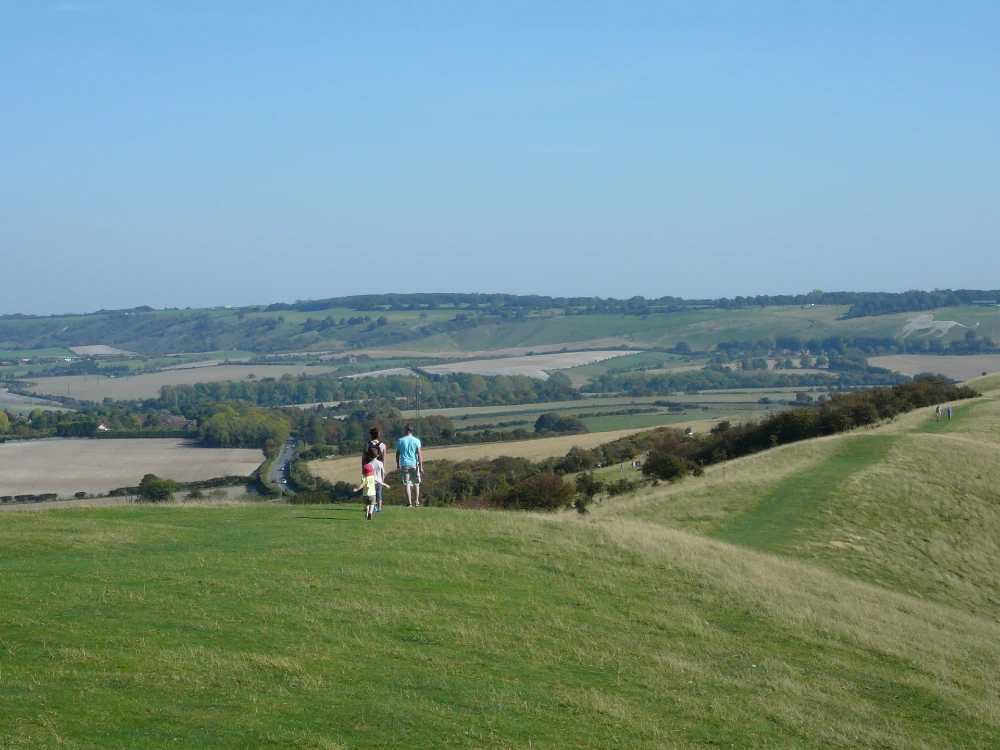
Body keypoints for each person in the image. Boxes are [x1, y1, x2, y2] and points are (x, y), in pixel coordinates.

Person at [354, 449, 390, 520]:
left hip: (366, 492)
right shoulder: (380, 463)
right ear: (377, 455)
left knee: (367, 504)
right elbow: (383, 472)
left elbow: (362, 484)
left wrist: (357, 489)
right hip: (377, 481)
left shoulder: (368, 465)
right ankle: (378, 509)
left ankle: (367, 512)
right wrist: (384, 483)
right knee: (378, 497)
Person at [395, 424, 423, 507]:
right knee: (416, 483)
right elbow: (419, 454)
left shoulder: (401, 440)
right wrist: (421, 467)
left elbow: (397, 454)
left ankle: (409, 503)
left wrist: (397, 464)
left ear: (406, 431)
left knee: (407, 484)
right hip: (414, 464)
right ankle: (417, 501)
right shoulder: (416, 440)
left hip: (405, 464)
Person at [363, 428, 387, 512]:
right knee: (379, 492)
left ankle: (367, 507)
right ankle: (379, 508)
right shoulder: (382, 445)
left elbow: (363, 457)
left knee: (368, 490)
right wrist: (383, 471)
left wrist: (363, 469)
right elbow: (383, 459)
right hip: (378, 470)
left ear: (371, 435)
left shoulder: (367, 444)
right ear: (378, 435)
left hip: (368, 470)